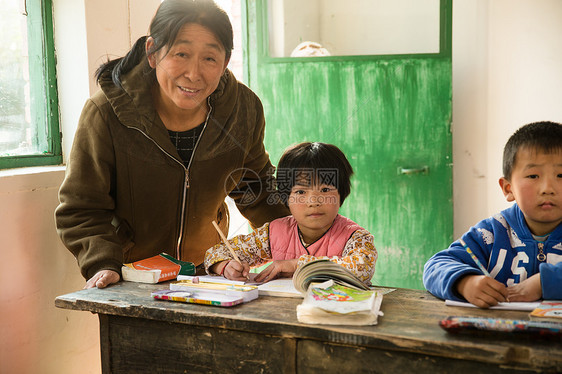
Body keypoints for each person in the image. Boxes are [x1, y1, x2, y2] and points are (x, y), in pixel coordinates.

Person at [55, 0, 288, 289]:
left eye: (210, 59)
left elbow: (257, 189)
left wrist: (309, 243)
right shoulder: (107, 112)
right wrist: (104, 263)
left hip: (210, 275)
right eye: (181, 53)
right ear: (153, 53)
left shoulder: (243, 109)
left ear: (225, 62)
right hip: (134, 279)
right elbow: (81, 207)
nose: (193, 74)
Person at [423, 121, 562, 308]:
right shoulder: (492, 232)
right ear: (508, 188)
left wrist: (542, 283)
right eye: (533, 176)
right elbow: (435, 266)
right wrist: (465, 283)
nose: (548, 189)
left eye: (561, 176)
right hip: (495, 333)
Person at [204, 142, 377, 285]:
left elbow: (363, 269)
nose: (313, 202)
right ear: (286, 199)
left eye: (325, 189)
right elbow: (216, 252)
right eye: (301, 192)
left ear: (341, 194)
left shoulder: (356, 237)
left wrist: (296, 265)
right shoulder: (273, 233)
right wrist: (226, 266)